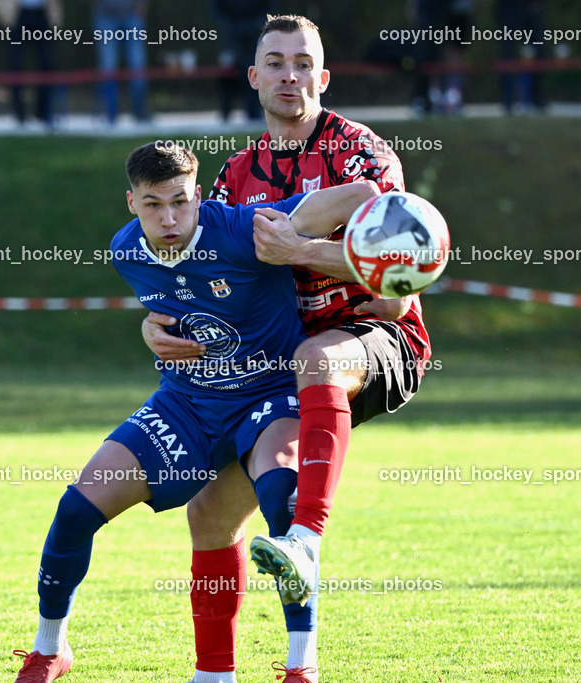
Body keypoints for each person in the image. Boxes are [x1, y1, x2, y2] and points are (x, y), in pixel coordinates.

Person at [11, 141, 380, 683]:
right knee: (75, 510)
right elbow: (173, 308)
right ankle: (50, 650)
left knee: (284, 499)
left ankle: (301, 665)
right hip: (186, 403)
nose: (169, 218)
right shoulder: (125, 251)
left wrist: (317, 240)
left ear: (200, 196)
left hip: (267, 395)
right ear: (131, 203)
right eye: (154, 204)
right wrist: (150, 331)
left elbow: (362, 194)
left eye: (180, 202)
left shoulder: (239, 228)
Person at [142, 14, 431, 683]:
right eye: (275, 62)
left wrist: (301, 250)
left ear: (323, 77)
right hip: (279, 361)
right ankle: (216, 674)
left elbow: (398, 283)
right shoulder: (235, 176)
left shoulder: (362, 154)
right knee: (210, 513)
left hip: (377, 340)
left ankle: (304, 543)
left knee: (318, 361)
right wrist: (161, 325)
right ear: (254, 78)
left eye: (303, 63)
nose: (289, 74)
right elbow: (208, 281)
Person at [0, 0, 62, 127]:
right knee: (16, 65)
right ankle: (19, 114)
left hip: (42, 14)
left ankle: (44, 113)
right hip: (17, 14)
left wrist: (54, 15)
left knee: (47, 64)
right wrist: (5, 14)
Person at [208, 0, 278, 122]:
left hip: (256, 34)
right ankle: (226, 110)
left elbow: (270, 6)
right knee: (228, 71)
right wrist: (227, 25)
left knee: (256, 69)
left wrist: (260, 23)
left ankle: (253, 109)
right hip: (230, 36)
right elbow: (217, 9)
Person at [89, 0, 149, 124]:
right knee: (108, 66)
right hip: (105, 16)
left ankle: (139, 111)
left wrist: (142, 5)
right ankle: (110, 114)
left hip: (132, 15)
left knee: (137, 64)